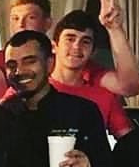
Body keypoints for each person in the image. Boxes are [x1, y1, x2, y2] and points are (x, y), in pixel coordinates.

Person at [2, 30, 110, 167]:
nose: (19, 71)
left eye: (29, 61)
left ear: (50, 63)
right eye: (12, 65)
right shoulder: (2, 115)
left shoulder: (81, 111)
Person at [3, 0, 139, 98]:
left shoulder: (85, 69)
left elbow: (130, 87)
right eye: (15, 18)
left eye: (31, 18)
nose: (21, 25)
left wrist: (115, 29)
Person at [48, 10, 134, 138]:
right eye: (70, 39)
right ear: (54, 46)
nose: (77, 46)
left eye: (85, 41)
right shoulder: (33, 91)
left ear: (93, 52)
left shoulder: (105, 96)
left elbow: (129, 142)